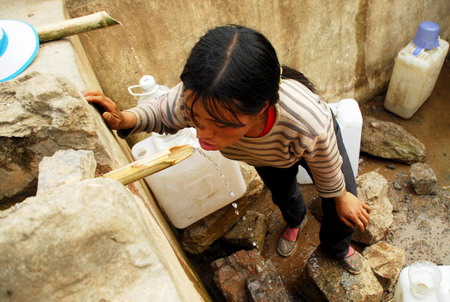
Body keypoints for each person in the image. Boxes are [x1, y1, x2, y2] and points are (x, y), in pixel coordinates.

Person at [84, 24, 371, 274]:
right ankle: (295, 220)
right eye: (195, 119)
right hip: (269, 157)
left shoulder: (307, 121)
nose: (202, 134)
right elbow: (161, 111)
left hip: (314, 145)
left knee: (343, 204)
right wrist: (125, 119)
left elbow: (326, 162)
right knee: (283, 194)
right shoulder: (199, 98)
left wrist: (338, 194)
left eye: (221, 125)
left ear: (261, 109)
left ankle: (337, 246)